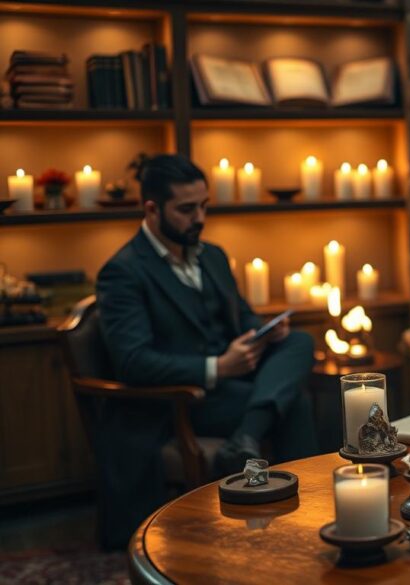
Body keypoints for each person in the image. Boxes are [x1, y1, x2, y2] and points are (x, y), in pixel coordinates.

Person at [94, 154, 318, 547]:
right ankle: (303, 513)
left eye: (204, 206)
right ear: (151, 209)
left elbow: (242, 316)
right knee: (294, 402)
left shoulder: (210, 254)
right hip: (181, 402)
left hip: (235, 385)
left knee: (299, 341)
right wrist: (217, 366)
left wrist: (264, 331)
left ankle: (246, 443)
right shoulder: (123, 272)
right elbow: (133, 363)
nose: (199, 217)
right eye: (186, 209)